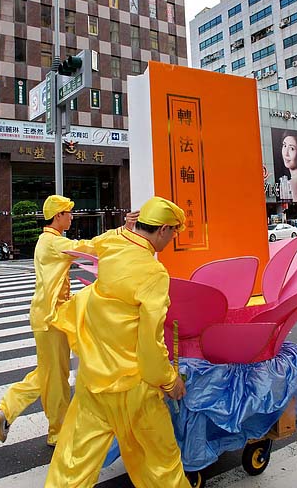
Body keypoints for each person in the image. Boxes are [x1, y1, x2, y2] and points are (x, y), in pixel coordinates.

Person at [45, 196, 192, 488]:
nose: (172, 239)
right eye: (174, 232)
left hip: (93, 380)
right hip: (134, 388)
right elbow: (150, 343)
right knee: (162, 468)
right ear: (163, 229)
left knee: (72, 466)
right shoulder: (153, 273)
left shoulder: (113, 243)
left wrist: (123, 228)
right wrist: (169, 381)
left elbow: (94, 244)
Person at [0, 195, 137, 447]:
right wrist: (122, 231)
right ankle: (56, 431)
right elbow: (88, 247)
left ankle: (9, 410)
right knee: (55, 377)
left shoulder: (47, 240)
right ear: (58, 216)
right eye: (69, 213)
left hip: (50, 315)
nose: (72, 217)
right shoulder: (53, 243)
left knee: (49, 372)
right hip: (51, 317)